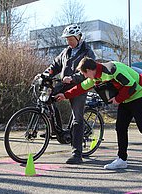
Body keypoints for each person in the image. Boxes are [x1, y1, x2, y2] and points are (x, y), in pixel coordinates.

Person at [55, 57, 142, 171]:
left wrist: (118, 99)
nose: (85, 76)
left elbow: (131, 86)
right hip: (126, 98)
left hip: (140, 94)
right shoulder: (96, 77)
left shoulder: (112, 69)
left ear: (90, 70)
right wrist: (65, 95)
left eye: (84, 73)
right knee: (120, 127)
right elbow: (81, 87)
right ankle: (122, 159)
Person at [41, 24, 96, 164]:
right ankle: (56, 129)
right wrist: (45, 74)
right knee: (48, 98)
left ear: (78, 37)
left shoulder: (87, 52)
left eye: (71, 39)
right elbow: (55, 65)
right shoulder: (66, 52)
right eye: (67, 39)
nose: (69, 42)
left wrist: (73, 78)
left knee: (77, 119)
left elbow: (88, 73)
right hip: (65, 84)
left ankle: (77, 154)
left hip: (79, 86)